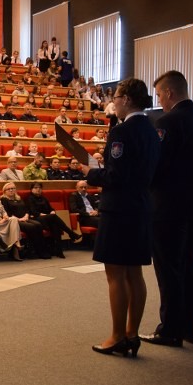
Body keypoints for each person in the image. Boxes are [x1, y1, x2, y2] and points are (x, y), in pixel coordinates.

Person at [72, 78, 160, 356]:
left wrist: (90, 172)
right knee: (135, 272)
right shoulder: (152, 130)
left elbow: (115, 176)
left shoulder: (121, 132)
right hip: (142, 206)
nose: (114, 102)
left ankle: (117, 336)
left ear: (128, 100)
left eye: (117, 97)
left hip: (119, 208)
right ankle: (132, 334)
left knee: (115, 275)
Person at [142, 71, 193, 347]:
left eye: (160, 95)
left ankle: (170, 330)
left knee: (169, 267)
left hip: (171, 206)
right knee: (191, 264)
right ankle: (190, 328)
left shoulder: (167, 122)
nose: (159, 100)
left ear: (170, 93)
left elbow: (158, 164)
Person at [27, 181, 81, 258]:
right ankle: (71, 233)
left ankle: (59, 251)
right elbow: (33, 212)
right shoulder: (30, 198)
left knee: (56, 226)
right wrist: (47, 215)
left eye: (39, 188)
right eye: (35, 188)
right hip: (37, 219)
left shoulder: (44, 198)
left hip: (48, 219)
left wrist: (52, 211)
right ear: (31, 189)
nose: (38, 189)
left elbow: (51, 208)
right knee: (53, 217)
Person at [0, 182, 50, 259]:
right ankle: (39, 251)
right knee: (32, 227)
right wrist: (19, 219)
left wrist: (26, 216)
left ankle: (42, 249)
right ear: (4, 191)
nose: (11, 190)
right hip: (14, 221)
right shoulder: (4, 199)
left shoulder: (18, 198)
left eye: (13, 188)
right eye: (8, 189)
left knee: (38, 225)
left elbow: (26, 209)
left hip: (24, 218)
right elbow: (7, 213)